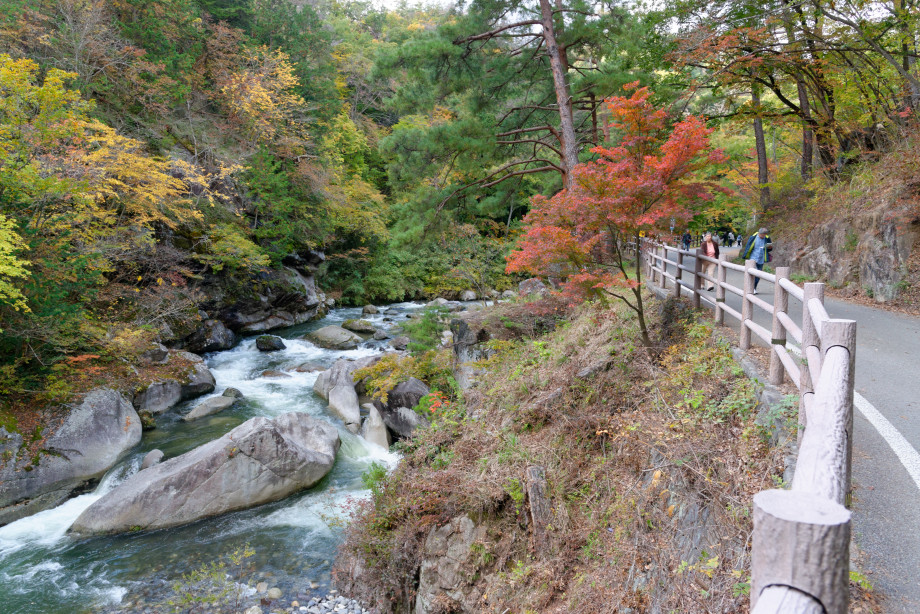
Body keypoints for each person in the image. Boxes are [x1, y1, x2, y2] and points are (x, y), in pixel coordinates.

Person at [742, 227, 773, 294]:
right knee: (752, 273)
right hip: (753, 258)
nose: (764, 236)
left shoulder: (767, 238)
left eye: (765, 235)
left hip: (761, 258)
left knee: (758, 275)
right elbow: (748, 246)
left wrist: (770, 247)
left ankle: (754, 288)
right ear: (760, 233)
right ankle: (750, 288)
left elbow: (769, 249)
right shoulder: (753, 237)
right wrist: (746, 256)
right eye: (763, 235)